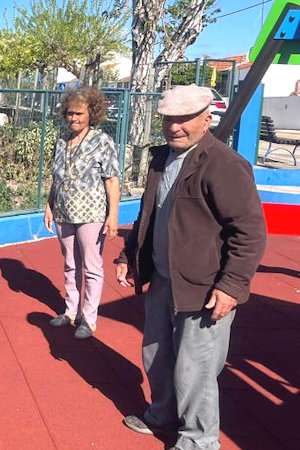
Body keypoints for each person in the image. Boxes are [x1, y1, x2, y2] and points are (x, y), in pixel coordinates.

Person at [115, 84, 267, 449]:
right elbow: (147, 217)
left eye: (184, 119)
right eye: (169, 119)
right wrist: (130, 255)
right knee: (156, 352)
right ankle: (163, 413)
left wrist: (231, 286)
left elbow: (249, 232)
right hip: (164, 278)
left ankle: (199, 440)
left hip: (203, 286)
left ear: (206, 119)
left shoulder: (225, 165)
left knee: (195, 369)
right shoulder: (161, 158)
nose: (175, 127)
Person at [43, 86, 120, 339]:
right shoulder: (61, 142)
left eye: (79, 114)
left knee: (92, 266)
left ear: (92, 114)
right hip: (64, 212)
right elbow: (57, 179)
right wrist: (49, 206)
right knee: (69, 264)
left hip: (91, 213)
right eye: (70, 113)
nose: (73, 118)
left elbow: (111, 180)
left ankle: (89, 318)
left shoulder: (102, 141)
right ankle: (70, 311)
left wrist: (113, 215)